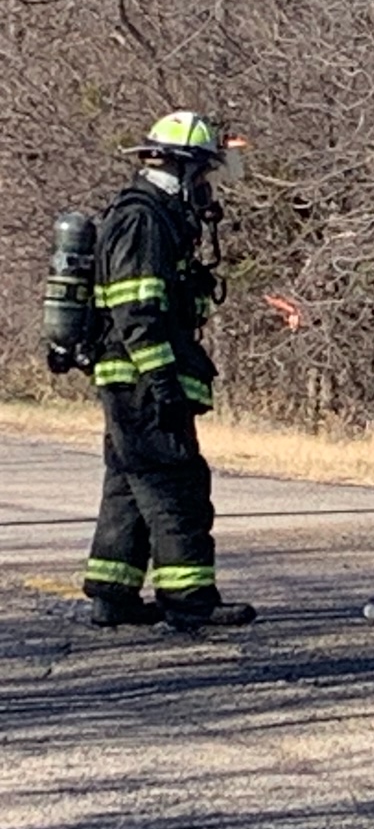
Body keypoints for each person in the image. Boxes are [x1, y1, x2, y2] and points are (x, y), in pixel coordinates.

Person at [77, 111, 256, 632]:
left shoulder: (156, 217)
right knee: (175, 482)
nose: (206, 187)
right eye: (202, 174)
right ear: (179, 169)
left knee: (130, 484)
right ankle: (190, 599)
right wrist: (161, 381)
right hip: (140, 379)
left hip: (130, 378)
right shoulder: (143, 219)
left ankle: (113, 593)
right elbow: (136, 310)